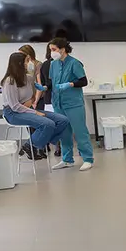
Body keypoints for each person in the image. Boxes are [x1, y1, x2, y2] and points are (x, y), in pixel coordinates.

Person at [0, 51, 69, 160]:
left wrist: (38, 92)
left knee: (63, 120)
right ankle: (35, 144)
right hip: (13, 113)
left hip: (27, 109)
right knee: (48, 124)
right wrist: (35, 112)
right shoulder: (10, 81)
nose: (30, 63)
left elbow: (35, 91)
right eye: (27, 61)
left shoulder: (28, 78)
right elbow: (15, 106)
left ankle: (30, 144)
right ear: (19, 64)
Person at [47, 38, 94, 171]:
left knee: (80, 131)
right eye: (51, 50)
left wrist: (70, 84)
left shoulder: (75, 63)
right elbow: (52, 82)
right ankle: (67, 159)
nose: (52, 52)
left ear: (62, 49)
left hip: (73, 103)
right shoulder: (53, 64)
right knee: (64, 132)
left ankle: (87, 159)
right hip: (58, 102)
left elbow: (83, 81)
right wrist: (45, 87)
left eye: (54, 49)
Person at [38, 44, 61, 157]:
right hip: (60, 97)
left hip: (49, 98)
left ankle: (57, 147)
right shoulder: (61, 63)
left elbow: (42, 83)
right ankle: (61, 147)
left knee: (53, 123)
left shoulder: (44, 65)